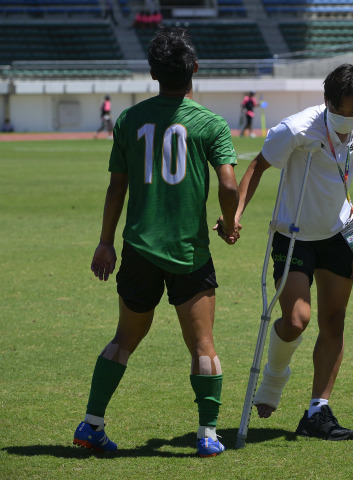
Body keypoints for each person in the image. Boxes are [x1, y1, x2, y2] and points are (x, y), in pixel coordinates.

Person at [73, 26, 240, 458]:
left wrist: (105, 242)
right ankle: (206, 435)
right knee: (203, 345)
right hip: (189, 252)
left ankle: (91, 424)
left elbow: (116, 189)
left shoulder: (129, 119)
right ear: (195, 70)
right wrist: (230, 220)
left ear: (152, 73)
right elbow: (228, 183)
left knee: (123, 339)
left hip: (138, 250)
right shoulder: (210, 123)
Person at [231, 63, 353, 441]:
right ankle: (273, 380)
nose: (349, 119)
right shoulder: (296, 128)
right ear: (326, 100)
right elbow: (258, 166)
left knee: (335, 321)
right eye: (342, 110)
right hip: (294, 233)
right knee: (297, 319)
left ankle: (318, 410)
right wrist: (235, 214)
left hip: (341, 231)